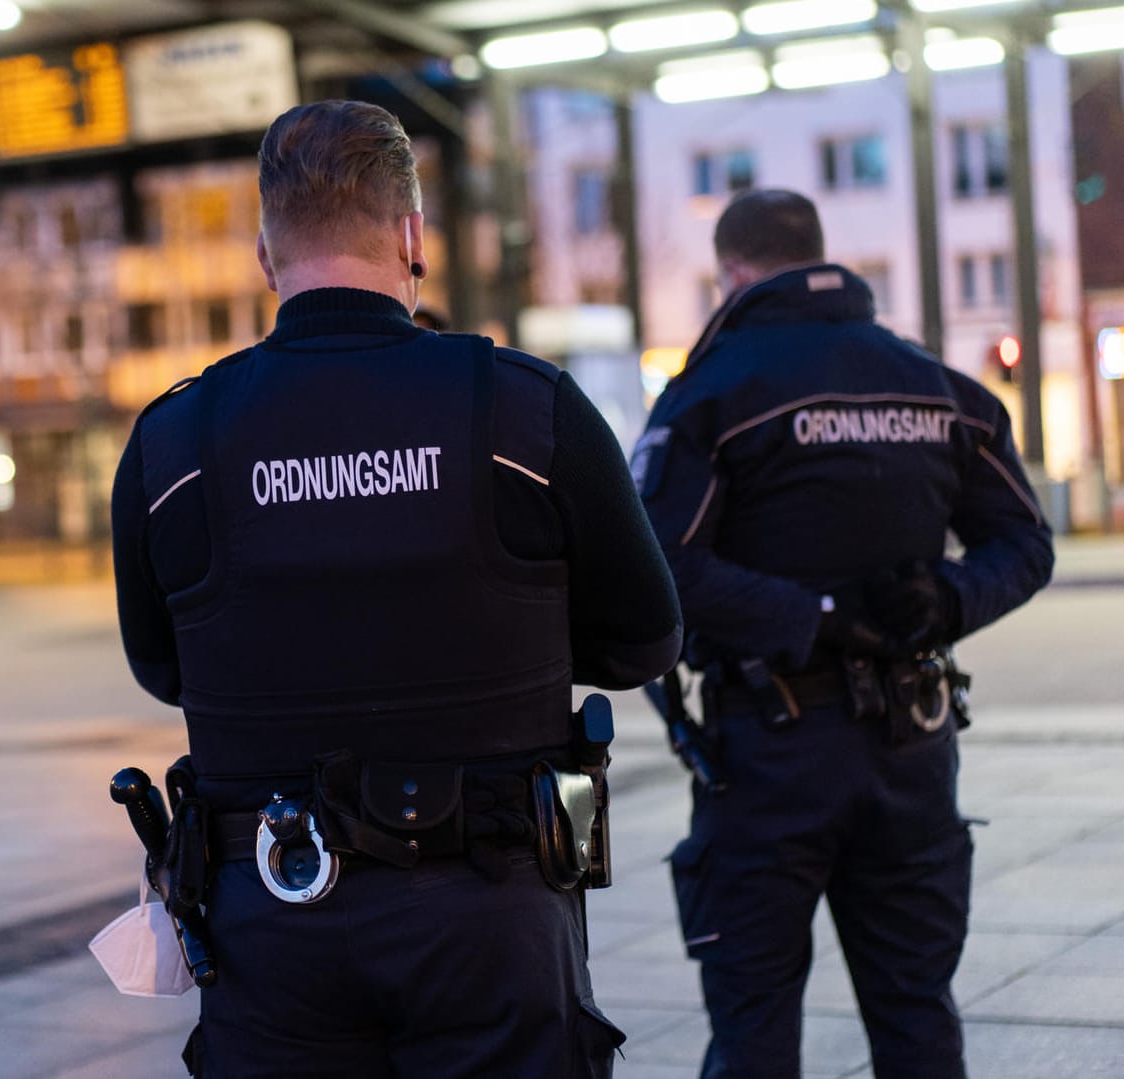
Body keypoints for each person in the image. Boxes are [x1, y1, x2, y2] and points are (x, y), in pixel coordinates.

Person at [111, 100, 682, 1077]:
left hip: (272, 916)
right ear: (413, 235)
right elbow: (644, 639)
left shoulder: (173, 445)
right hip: (491, 914)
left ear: (265, 253)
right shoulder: (523, 411)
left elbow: (164, 666)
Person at [633, 189, 1054, 1079]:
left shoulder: (712, 391)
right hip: (914, 750)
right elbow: (1025, 541)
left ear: (733, 272)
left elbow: (657, 565)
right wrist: (944, 600)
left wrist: (812, 620)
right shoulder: (940, 387)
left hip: (770, 757)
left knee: (753, 1030)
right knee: (916, 1016)